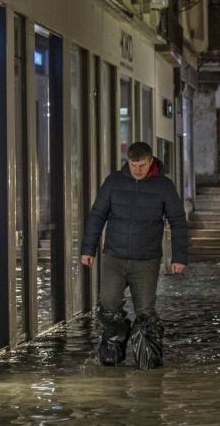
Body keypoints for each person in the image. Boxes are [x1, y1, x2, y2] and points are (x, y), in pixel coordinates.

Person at [80, 142, 188, 361]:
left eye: (142, 165)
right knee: (108, 306)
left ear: (151, 162)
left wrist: (178, 257)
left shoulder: (164, 186)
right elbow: (97, 215)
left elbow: (177, 221)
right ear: (127, 161)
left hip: (146, 260)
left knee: (146, 313)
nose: (137, 169)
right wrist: (88, 249)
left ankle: (148, 360)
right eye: (133, 165)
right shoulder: (113, 182)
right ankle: (116, 341)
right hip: (114, 257)